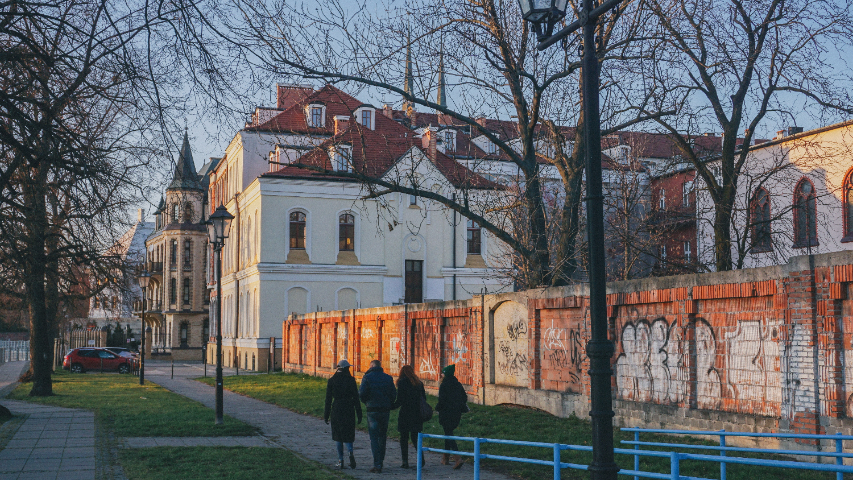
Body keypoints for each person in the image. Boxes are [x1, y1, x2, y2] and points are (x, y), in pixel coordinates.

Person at [359, 359, 397, 473]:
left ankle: (377, 464)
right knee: (382, 436)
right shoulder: (388, 378)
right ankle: (381, 461)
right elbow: (393, 394)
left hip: (372, 410)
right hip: (385, 410)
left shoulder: (367, 378)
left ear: (371, 366)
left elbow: (361, 393)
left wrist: (366, 402)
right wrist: (389, 403)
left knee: (374, 437)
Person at [324, 359, 362, 469]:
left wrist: (326, 415)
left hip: (337, 408)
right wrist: (359, 414)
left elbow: (328, 399)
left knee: (338, 435)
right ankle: (350, 452)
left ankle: (340, 460)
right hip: (349, 408)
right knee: (348, 433)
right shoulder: (351, 380)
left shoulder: (332, 380)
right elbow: (356, 398)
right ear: (346, 368)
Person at [392, 365, 427, 469]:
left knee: (404, 438)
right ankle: (421, 460)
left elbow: (400, 400)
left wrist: (390, 406)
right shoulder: (419, 383)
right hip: (417, 414)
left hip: (405, 413)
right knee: (416, 438)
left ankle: (405, 461)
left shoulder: (402, 383)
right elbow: (424, 398)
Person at [436, 364, 468, 469]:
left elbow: (441, 400)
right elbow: (465, 397)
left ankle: (458, 458)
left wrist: (437, 408)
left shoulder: (444, 385)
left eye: (442, 374)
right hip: (456, 413)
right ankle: (445, 458)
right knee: (448, 434)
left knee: (449, 435)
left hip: (446, 414)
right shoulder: (458, 384)